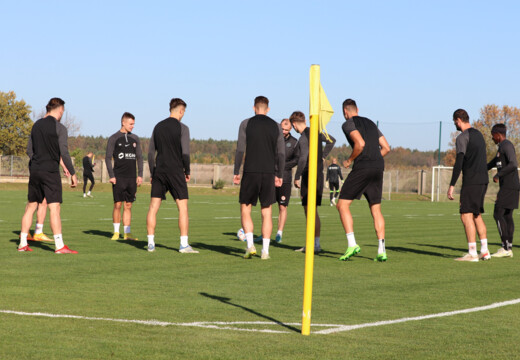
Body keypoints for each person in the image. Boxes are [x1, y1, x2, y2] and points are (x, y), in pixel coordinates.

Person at [18, 97, 78, 254]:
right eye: (62, 112)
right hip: (50, 172)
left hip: (36, 170)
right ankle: (59, 246)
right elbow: (64, 152)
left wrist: (37, 161)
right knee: (54, 207)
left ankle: (23, 243)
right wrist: (72, 172)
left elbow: (29, 150)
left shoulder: (36, 125)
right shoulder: (60, 128)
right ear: (60, 110)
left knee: (31, 206)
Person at [336, 99, 391, 262]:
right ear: (357, 109)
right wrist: (374, 160)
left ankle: (352, 244)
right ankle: (382, 250)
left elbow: (360, 144)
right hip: (378, 167)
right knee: (376, 209)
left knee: (342, 205)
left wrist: (349, 160)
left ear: (345, 111)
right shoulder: (371, 124)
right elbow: (387, 148)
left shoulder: (348, 123)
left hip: (363, 167)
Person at [233, 96, 285, 260]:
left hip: (250, 172)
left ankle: (250, 246)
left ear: (254, 108)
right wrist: (280, 174)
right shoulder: (276, 126)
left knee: (245, 209)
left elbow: (240, 150)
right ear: (267, 109)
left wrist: (236, 171)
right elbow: (281, 153)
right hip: (269, 173)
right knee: (267, 212)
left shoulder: (245, 123)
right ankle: (265, 251)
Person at [146, 98, 198, 253]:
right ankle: (183, 244)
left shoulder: (158, 127)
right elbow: (185, 153)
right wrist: (187, 170)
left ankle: (150, 243)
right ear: (181, 111)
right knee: (182, 208)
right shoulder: (183, 128)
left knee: (153, 207)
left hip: (160, 171)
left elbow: (150, 153)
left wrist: (152, 172)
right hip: (176, 171)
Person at [447, 109, 490, 262]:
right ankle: (484, 250)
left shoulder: (462, 138)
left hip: (471, 181)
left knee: (466, 215)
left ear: (459, 120)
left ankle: (472, 253)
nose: (455, 125)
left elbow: (459, 162)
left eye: (455, 122)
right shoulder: (479, 135)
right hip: (483, 179)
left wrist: (452, 185)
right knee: (476, 214)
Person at [290, 111, 335, 254]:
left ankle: (313, 245)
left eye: (293, 127)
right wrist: (323, 156)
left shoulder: (303, 137)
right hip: (318, 176)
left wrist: (297, 176)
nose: (294, 130)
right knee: (312, 210)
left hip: (309, 175)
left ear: (295, 124)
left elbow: (303, 159)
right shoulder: (315, 132)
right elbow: (332, 140)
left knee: (309, 210)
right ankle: (315, 244)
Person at [106, 112, 143, 241]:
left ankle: (127, 233)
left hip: (132, 178)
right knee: (118, 205)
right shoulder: (114, 138)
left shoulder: (135, 139)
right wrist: (111, 175)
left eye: (134, 124)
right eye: (131, 124)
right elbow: (107, 157)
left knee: (128, 205)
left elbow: (139, 157)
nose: (133, 126)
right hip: (119, 177)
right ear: (123, 123)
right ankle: (116, 232)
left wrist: (140, 175)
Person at [487, 124, 519, 258]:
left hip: (509, 186)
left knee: (497, 213)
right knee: (506, 215)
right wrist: (484, 168)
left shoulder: (507, 145)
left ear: (498, 134)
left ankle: (505, 247)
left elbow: (513, 164)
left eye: (492, 135)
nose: (492, 137)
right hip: (510, 186)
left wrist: (498, 175)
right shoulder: (501, 148)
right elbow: (496, 161)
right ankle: (508, 248)